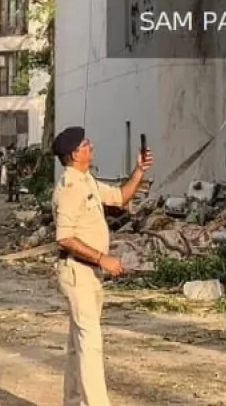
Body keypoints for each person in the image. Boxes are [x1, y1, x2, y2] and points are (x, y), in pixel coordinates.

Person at [50, 126, 152, 406]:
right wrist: (101, 258)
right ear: (75, 154)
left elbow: (120, 196)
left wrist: (139, 171)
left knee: (78, 345)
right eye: (86, 144)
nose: (91, 146)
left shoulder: (87, 181)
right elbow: (64, 238)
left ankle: (72, 401)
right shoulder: (70, 188)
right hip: (77, 271)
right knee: (90, 345)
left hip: (90, 274)